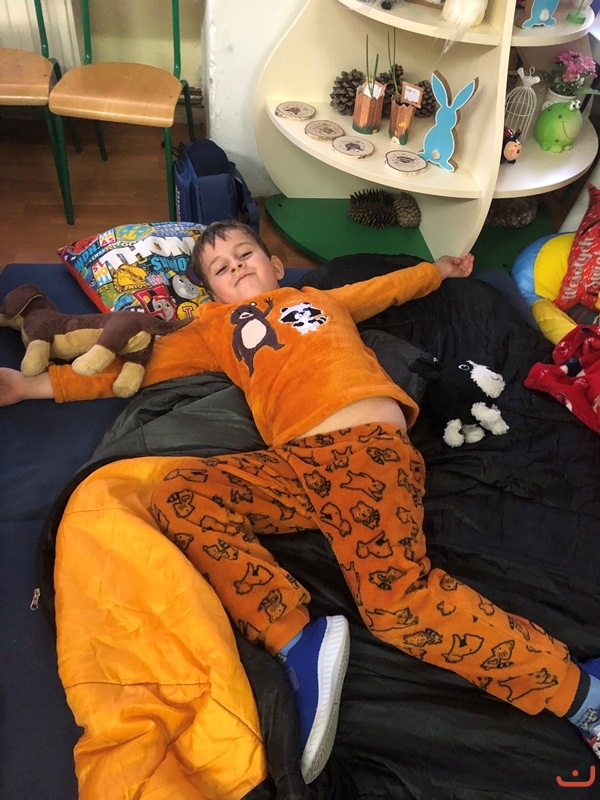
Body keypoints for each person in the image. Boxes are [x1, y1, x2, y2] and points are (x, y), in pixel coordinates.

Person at [1, 221, 599, 784]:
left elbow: (385, 289)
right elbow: (138, 370)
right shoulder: (211, 330)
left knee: (396, 604)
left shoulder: (318, 299)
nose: (236, 268)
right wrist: (31, 386)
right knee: (179, 494)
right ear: (211, 292)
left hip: (365, 452)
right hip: (295, 467)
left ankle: (580, 694)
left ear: (275, 265)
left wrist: (438, 271)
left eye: (245, 255)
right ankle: (296, 640)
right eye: (220, 268)